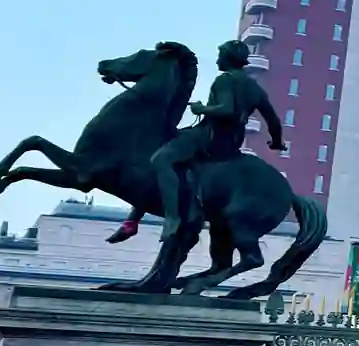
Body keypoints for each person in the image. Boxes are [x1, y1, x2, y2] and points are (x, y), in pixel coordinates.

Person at [110, 40, 285, 242]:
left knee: (161, 159)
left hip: (209, 137)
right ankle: (132, 222)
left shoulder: (225, 80)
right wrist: (277, 143)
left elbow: (227, 108)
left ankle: (172, 218)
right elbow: (273, 121)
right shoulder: (255, 88)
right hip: (231, 142)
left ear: (228, 58)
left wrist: (202, 109)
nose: (218, 59)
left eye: (220, 55)